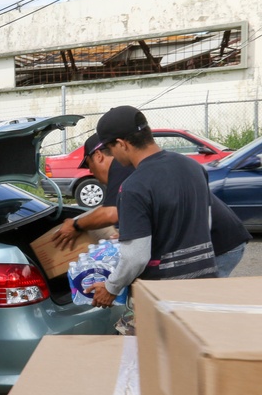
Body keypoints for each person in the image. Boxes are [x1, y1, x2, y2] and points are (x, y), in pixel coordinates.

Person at [54, 133, 250, 277]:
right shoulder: (130, 167)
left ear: (98, 156)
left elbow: (112, 213)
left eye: (89, 166)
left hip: (221, 243)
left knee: (196, 307)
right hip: (216, 239)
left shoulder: (122, 167)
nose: (92, 173)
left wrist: (76, 224)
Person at [88, 106, 217, 309]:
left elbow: (136, 257)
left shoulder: (134, 186)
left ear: (121, 144)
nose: (112, 156)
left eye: (109, 149)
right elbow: (205, 223)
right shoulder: (193, 167)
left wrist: (111, 287)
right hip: (205, 285)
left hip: (164, 297)